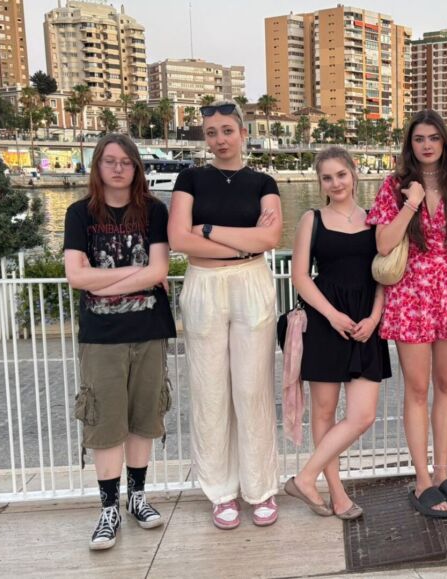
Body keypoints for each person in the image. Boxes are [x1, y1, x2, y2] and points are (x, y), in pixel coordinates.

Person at [167, 99, 283, 530]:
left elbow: (269, 238)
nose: (219, 140)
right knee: (210, 391)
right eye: (211, 133)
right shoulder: (191, 178)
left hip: (251, 284)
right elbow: (178, 239)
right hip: (204, 285)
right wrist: (243, 240)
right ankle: (221, 491)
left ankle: (261, 487)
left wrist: (209, 230)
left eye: (227, 131)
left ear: (242, 133)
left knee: (252, 389)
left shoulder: (263, 182)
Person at [366, 110, 447, 518]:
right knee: (417, 390)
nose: (427, 145)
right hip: (410, 297)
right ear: (410, 145)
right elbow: (383, 244)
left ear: (444, 142)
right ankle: (421, 479)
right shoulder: (393, 187)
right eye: (419, 139)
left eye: (434, 137)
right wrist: (411, 203)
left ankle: (443, 471)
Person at [63, 133, 176, 550]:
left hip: (148, 330)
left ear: (136, 168)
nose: (118, 168)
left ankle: (138, 497)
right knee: (105, 421)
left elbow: (159, 269)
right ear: (97, 166)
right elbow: (76, 277)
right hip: (101, 336)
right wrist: (136, 274)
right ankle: (108, 507)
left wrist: (102, 281)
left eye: (126, 162)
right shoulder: (80, 214)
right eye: (110, 161)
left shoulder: (154, 211)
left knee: (144, 418)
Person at [283, 146, 390, 520]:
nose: (335, 183)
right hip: (325, 321)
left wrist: (375, 317)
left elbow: (385, 274)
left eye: (341, 174)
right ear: (320, 182)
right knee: (324, 413)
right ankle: (337, 495)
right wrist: (331, 316)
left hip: (366, 322)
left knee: (363, 415)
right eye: (327, 177)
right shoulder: (311, 219)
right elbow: (300, 277)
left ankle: (305, 478)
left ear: (353, 173)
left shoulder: (376, 219)